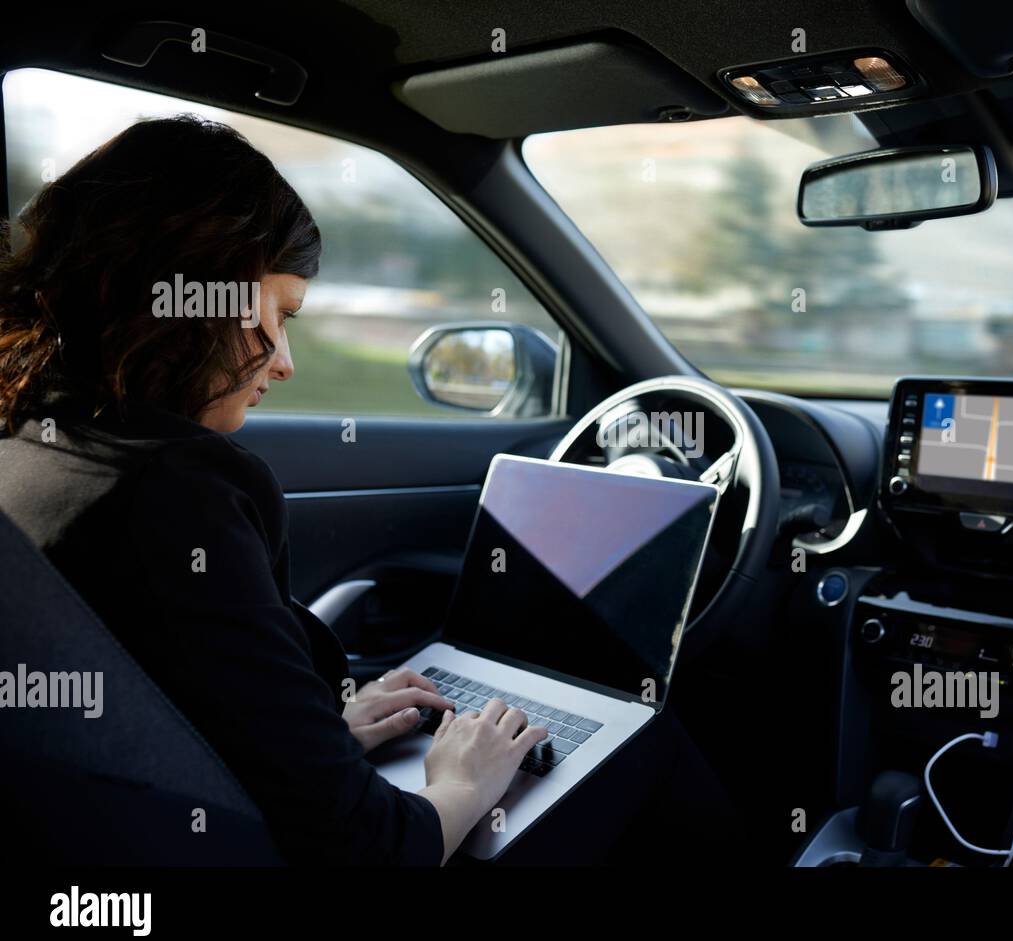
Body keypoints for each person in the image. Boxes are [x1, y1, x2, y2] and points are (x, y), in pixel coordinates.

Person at [0, 115, 741, 865]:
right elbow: (371, 851)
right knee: (647, 740)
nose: (283, 363)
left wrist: (324, 734)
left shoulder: (31, 451)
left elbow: (161, 707)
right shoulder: (175, 489)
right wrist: (461, 784)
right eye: (279, 316)